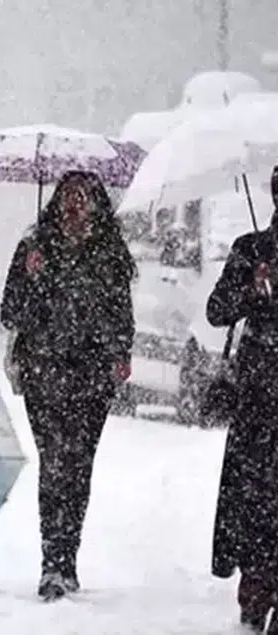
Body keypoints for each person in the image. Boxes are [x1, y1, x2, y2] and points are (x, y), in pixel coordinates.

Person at [0, 171, 136, 601]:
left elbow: (121, 314)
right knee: (54, 462)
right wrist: (33, 277)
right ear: (57, 202)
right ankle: (51, 563)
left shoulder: (109, 254)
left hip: (91, 377)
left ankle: (68, 556)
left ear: (97, 205)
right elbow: (10, 313)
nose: (75, 205)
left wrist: (119, 354)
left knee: (78, 466)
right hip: (43, 371)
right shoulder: (34, 249)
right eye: (69, 197)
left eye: (85, 198)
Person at [207, 165, 278, 633]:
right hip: (260, 390)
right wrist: (252, 287)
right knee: (255, 494)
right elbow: (217, 312)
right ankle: (256, 584)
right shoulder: (251, 249)